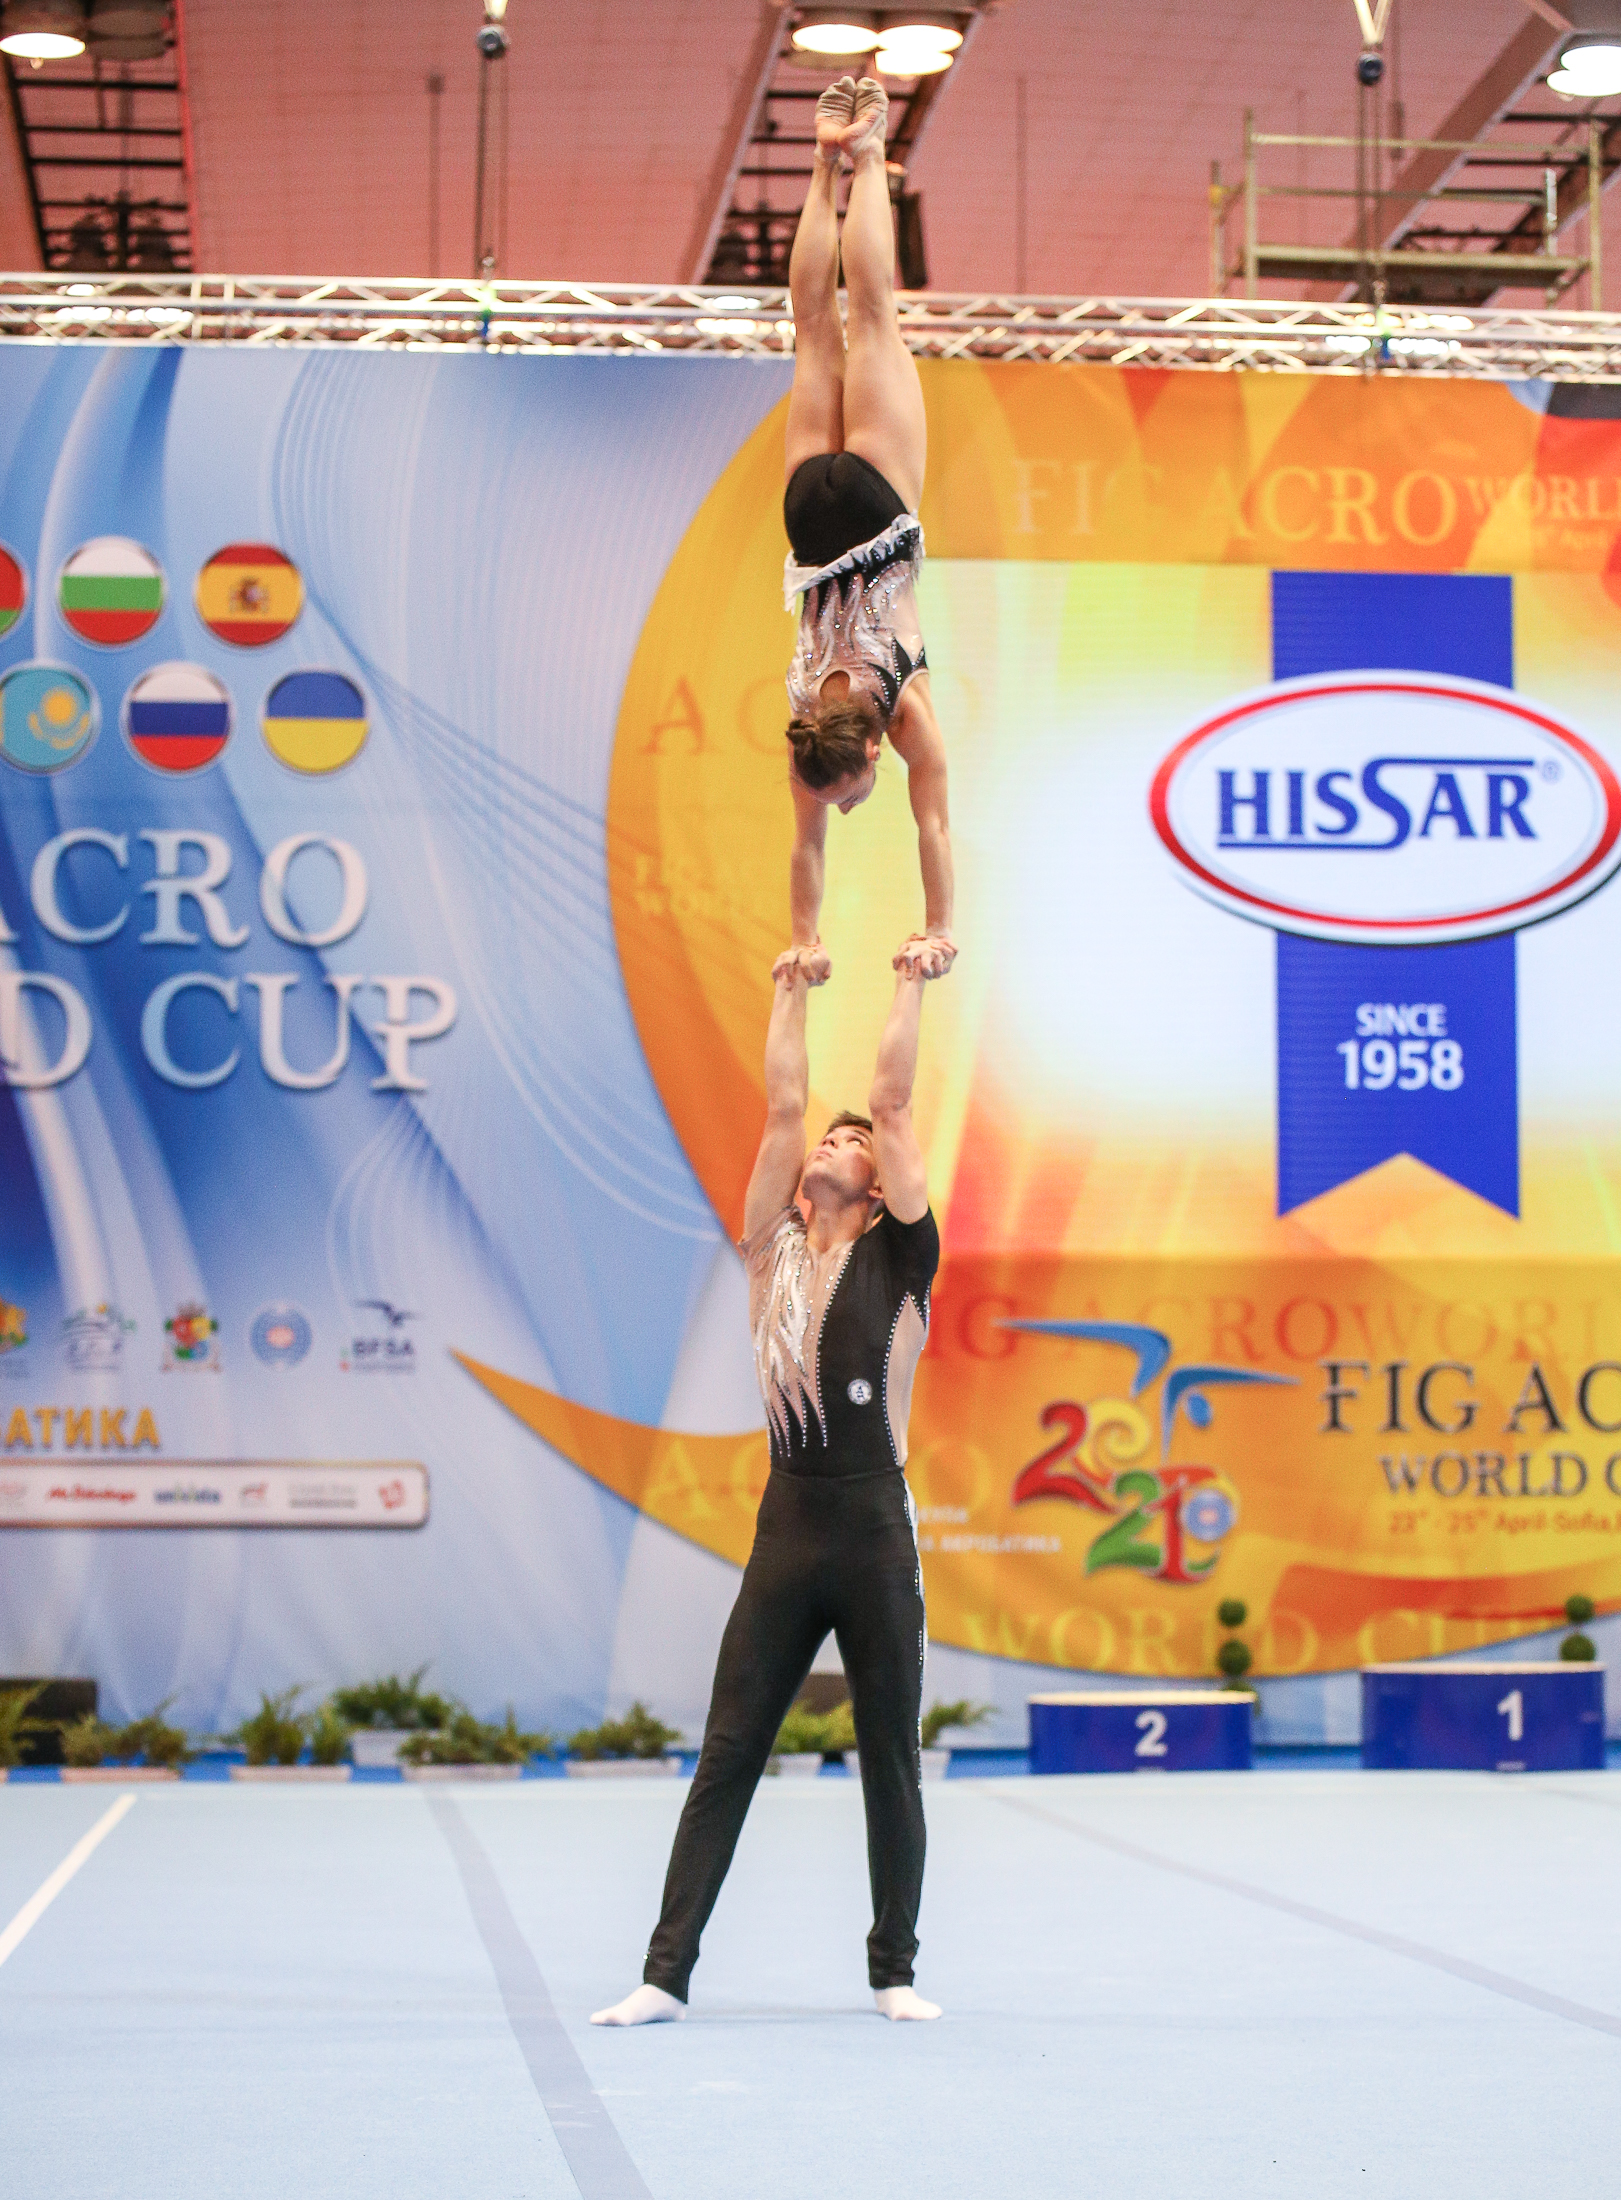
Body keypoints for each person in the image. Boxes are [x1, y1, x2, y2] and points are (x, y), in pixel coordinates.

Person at [592, 945, 942, 2025]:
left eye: (853, 1143)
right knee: (729, 1750)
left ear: (879, 1187)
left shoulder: (902, 1260)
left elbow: (890, 1100)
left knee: (888, 1756)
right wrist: (789, 991)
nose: (835, 1142)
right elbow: (784, 1100)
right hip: (788, 1531)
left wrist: (909, 978)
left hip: (875, 1530)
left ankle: (893, 1972)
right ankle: (663, 1974)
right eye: (828, 1141)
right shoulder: (767, 1249)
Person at [780, 74, 955, 991]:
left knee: (875, 317)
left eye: (844, 800)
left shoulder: (901, 714)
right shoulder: (805, 726)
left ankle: (872, 148)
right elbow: (805, 851)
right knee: (814, 329)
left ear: (872, 752)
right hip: (808, 519)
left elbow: (933, 824)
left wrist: (941, 928)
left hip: (877, 510)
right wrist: (802, 938)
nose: (842, 809)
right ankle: (822, 164)